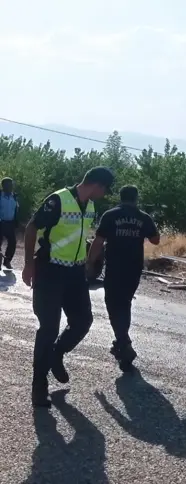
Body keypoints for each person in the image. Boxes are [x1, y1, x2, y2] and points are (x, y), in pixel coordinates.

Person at [22, 167, 115, 407]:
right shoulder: (58, 200)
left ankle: (57, 353)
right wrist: (28, 264)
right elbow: (31, 228)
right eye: (105, 190)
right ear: (97, 185)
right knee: (49, 328)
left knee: (83, 320)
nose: (104, 195)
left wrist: (87, 265)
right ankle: (39, 386)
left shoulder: (91, 207)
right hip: (50, 271)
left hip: (74, 273)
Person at [87, 185, 159, 372]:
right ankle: (122, 342)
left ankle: (123, 342)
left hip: (115, 268)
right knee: (124, 303)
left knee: (113, 304)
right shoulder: (143, 217)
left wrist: (89, 264)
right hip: (134, 268)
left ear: (121, 197)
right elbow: (156, 240)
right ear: (136, 198)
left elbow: (98, 242)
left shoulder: (110, 215)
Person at [0, 177, 19, 269]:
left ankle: (7, 261)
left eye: (12, 185)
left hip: (10, 223)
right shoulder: (0, 195)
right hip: (0, 222)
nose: (11, 186)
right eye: (9, 185)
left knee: (12, 243)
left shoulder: (14, 196)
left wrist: (16, 221)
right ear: (3, 186)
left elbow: (15, 210)